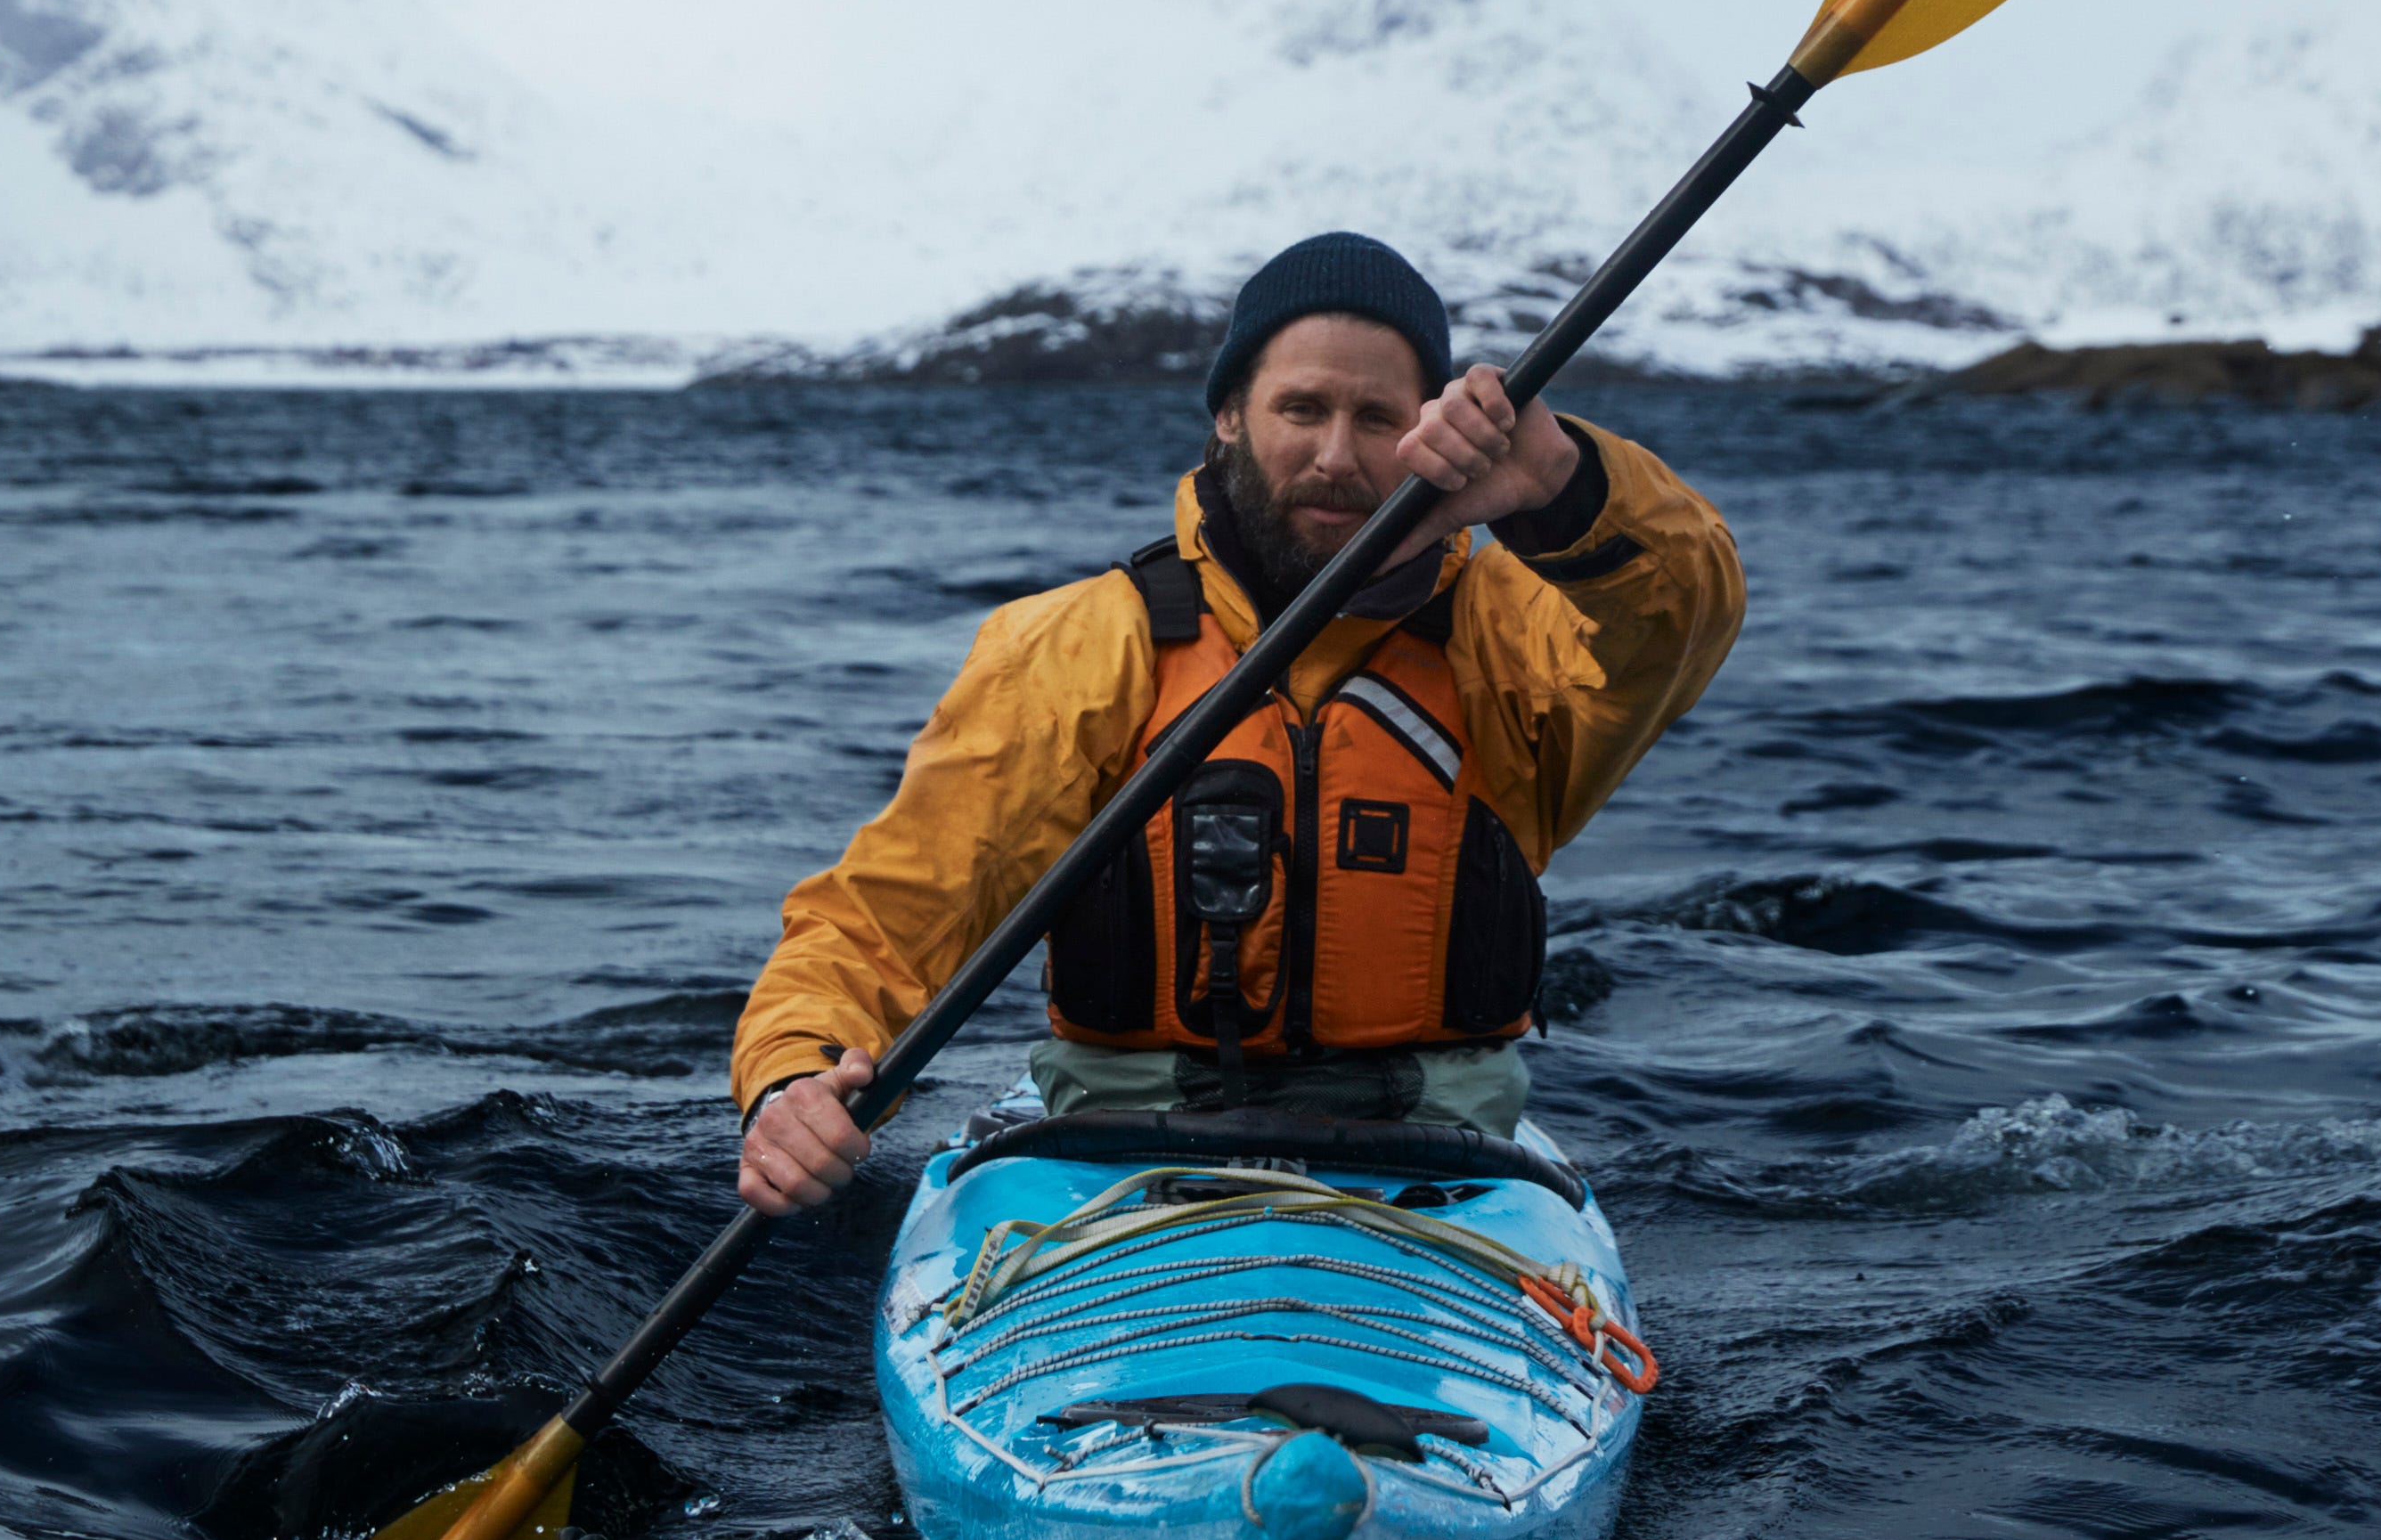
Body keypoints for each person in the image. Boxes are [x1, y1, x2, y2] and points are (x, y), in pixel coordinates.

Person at [730, 231, 1746, 1214]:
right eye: (1300, 408)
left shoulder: (1520, 637)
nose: (1337, 457)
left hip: (1443, 1165)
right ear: (1226, 415)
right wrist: (796, 1077)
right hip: (1118, 1161)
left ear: (1434, 431)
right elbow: (888, 917)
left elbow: (1684, 613)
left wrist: (1565, 489)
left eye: (1377, 417)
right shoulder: (1075, 648)